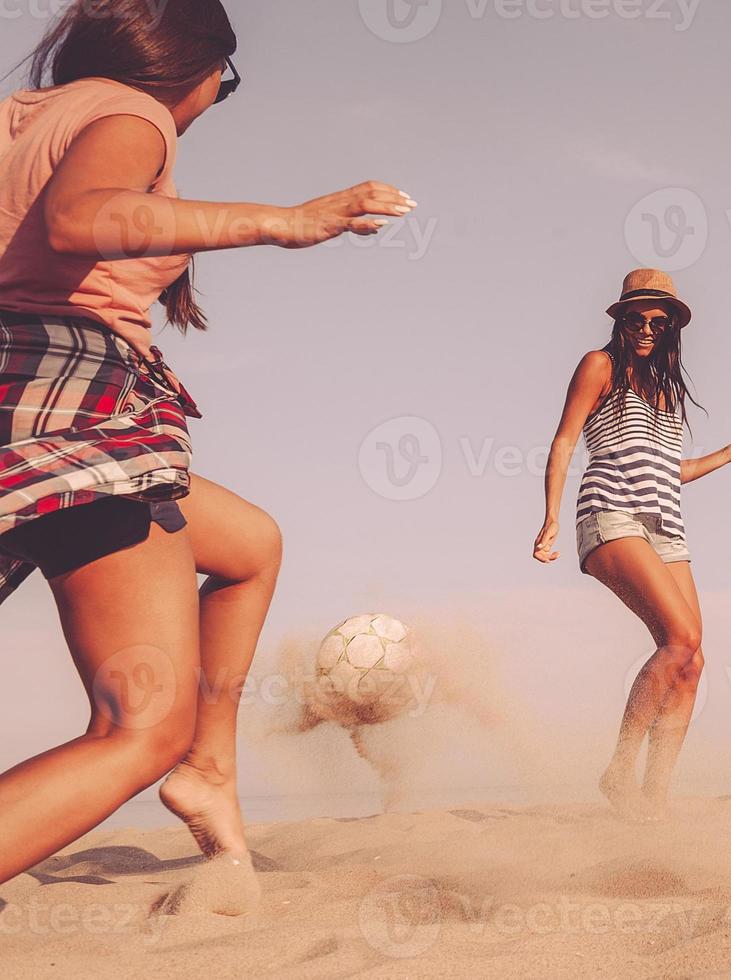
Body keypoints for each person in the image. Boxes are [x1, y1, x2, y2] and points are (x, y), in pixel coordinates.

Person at [0, 0, 415, 888]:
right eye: (221, 87)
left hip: (22, 399)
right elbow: (82, 218)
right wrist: (286, 220)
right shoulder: (131, 112)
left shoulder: (21, 118)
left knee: (249, 544)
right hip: (66, 398)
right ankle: (176, 757)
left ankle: (208, 771)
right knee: (137, 727)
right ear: (195, 65)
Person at [534, 269, 731, 819]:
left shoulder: (664, 389)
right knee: (680, 634)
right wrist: (549, 517)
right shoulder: (601, 366)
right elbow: (565, 439)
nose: (647, 329)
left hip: (666, 526)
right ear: (621, 318)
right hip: (610, 514)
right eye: (637, 318)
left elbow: (672, 470)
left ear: (670, 329)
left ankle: (654, 798)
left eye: (658, 322)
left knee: (691, 658)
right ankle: (620, 767)